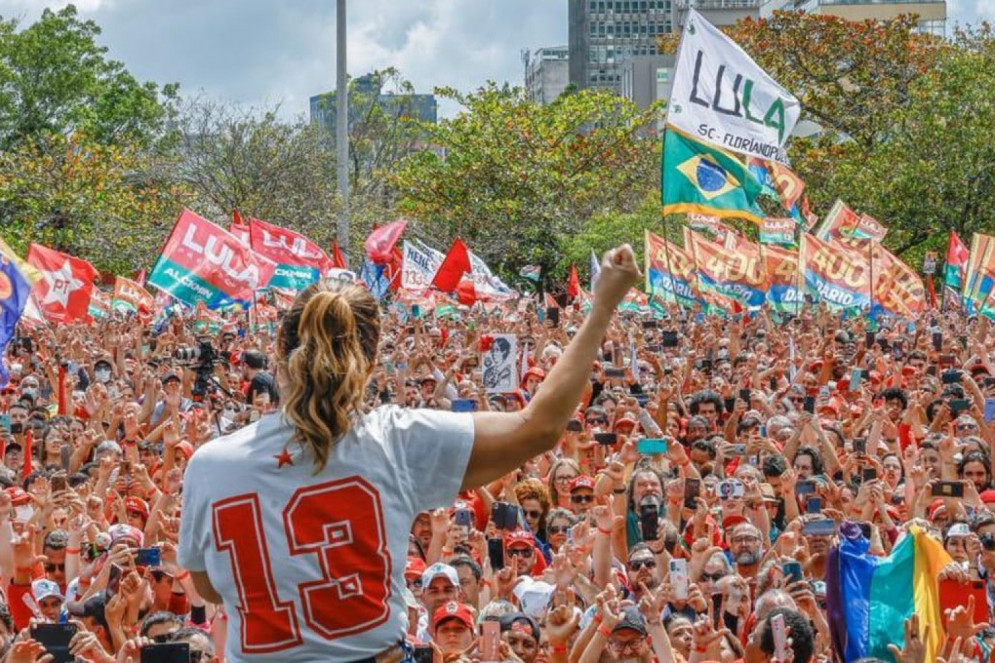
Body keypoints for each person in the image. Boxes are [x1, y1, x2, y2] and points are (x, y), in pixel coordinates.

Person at [177, 245, 641, 661]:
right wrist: (602, 306)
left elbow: (208, 586)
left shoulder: (211, 464)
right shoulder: (395, 440)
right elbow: (538, 427)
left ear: (280, 350)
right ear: (373, 358)